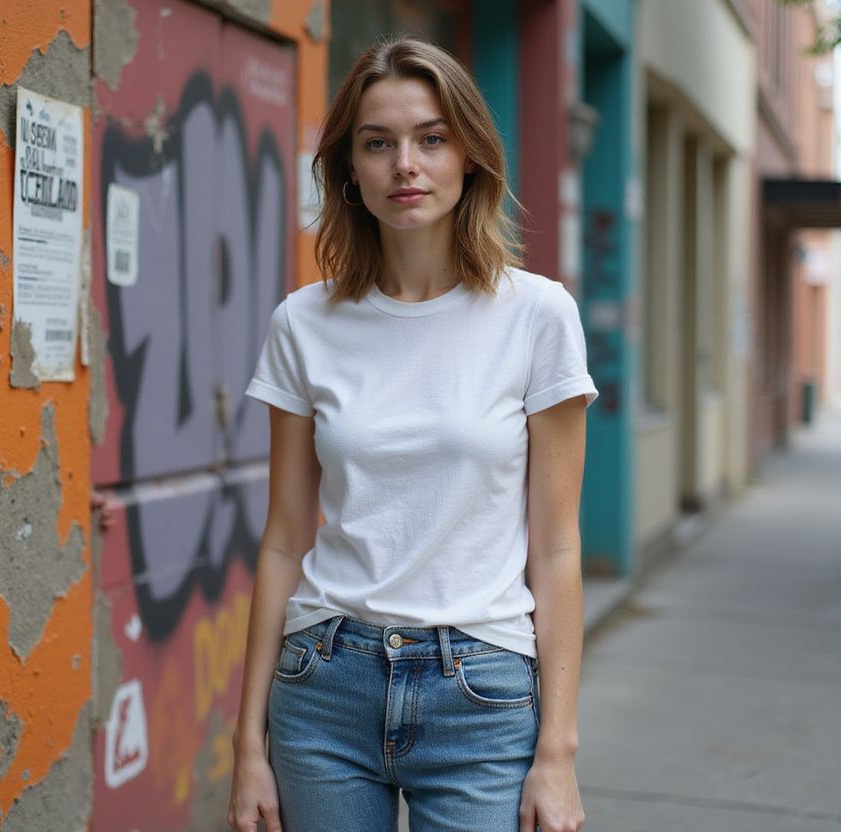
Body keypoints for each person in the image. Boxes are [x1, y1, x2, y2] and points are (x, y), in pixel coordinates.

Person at [228, 35, 596, 832]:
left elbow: (558, 546)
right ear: (350, 172)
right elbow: (285, 539)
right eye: (378, 143)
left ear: (470, 157)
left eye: (431, 138)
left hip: (482, 690)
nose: (406, 163)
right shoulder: (303, 323)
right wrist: (246, 746)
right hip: (324, 682)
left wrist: (557, 755)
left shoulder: (537, 316)